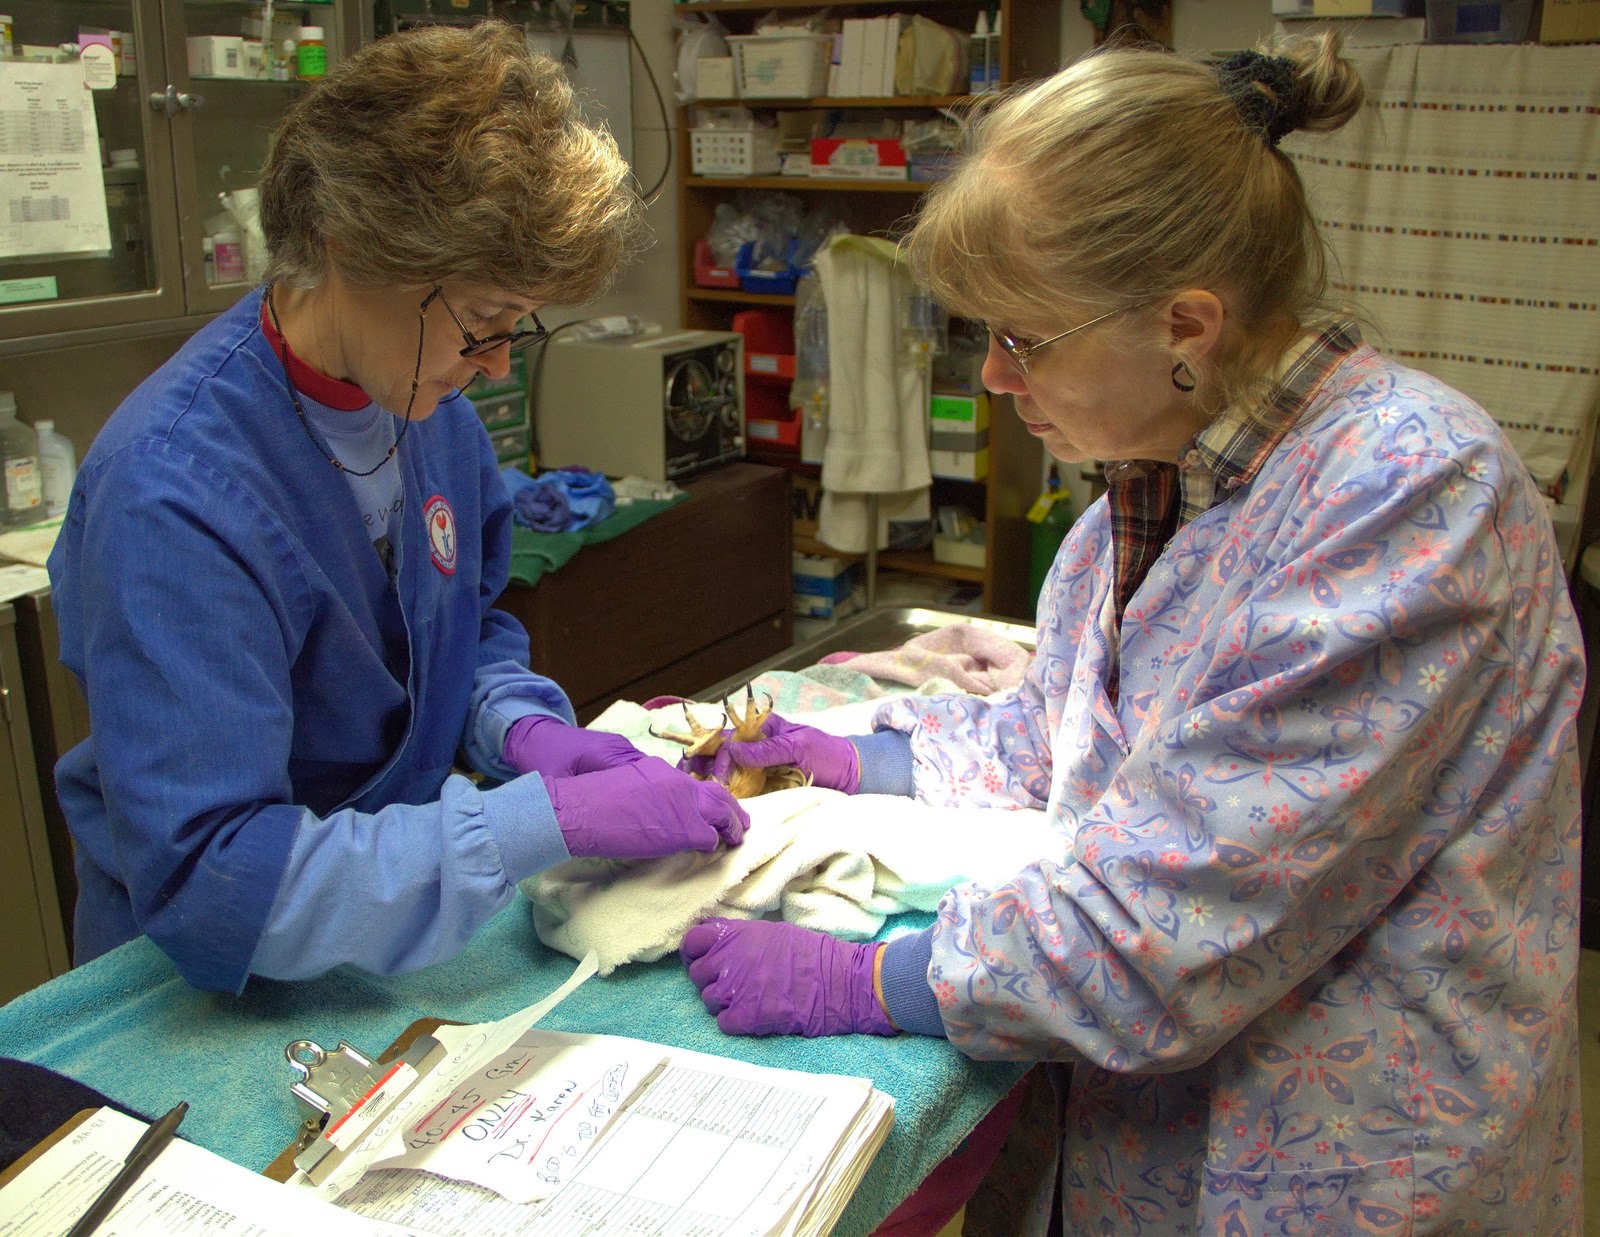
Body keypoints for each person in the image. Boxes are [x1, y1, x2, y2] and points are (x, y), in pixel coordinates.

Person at [680, 32, 1585, 1234]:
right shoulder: (1147, 495)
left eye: (1021, 339)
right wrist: (849, 751)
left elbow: (1176, 919)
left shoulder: (1408, 494)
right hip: (1137, 1124)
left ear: (1186, 326)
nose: (995, 380)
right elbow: (1075, 744)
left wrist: (870, 975)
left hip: (1345, 1153)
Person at [47, 22, 748, 996]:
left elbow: (459, 633)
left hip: (383, 923)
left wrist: (516, 728)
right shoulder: (172, 496)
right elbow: (214, 880)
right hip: (199, 981)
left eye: (516, 329)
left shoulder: (428, 410)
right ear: (351, 250)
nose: (497, 365)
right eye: (482, 325)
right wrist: (527, 825)